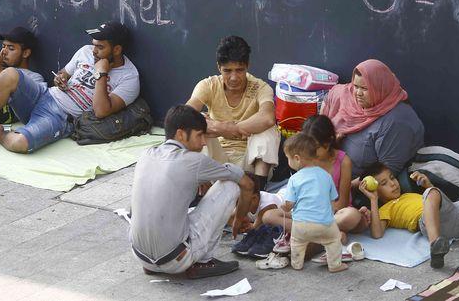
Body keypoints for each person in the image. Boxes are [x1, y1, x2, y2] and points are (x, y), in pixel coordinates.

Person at [0, 20, 139, 153]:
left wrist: (102, 74)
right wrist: (60, 79)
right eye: (94, 45)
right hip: (44, 95)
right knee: (9, 74)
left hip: (60, 116)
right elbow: (63, 73)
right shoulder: (85, 52)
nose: (94, 51)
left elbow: (101, 111)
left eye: (100, 47)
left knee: (20, 143)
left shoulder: (130, 78)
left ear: (116, 49)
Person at [129, 104, 255, 279]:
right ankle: (204, 261)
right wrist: (238, 218)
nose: (204, 142)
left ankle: (154, 265)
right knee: (230, 185)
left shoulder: (147, 154)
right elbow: (247, 184)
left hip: (141, 256)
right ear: (181, 134)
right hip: (175, 260)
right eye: (199, 135)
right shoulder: (194, 161)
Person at [359, 162, 459, 268]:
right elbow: (377, 233)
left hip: (454, 214)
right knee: (431, 193)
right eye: (384, 183)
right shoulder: (385, 209)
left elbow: (439, 202)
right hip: (430, 226)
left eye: (392, 177)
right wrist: (373, 199)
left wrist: (427, 184)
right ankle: (435, 247)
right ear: (375, 191)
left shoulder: (409, 194)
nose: (392, 184)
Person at [263, 115, 368, 251]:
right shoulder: (305, 159)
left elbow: (342, 202)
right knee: (269, 216)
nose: (311, 152)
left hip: (333, 212)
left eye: (316, 147)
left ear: (329, 141)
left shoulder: (343, 161)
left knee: (352, 215)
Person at [187, 36, 279, 190]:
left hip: (251, 163)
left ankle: (258, 189)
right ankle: (200, 185)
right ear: (219, 67)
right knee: (196, 121)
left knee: (268, 128)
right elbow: (186, 114)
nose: (234, 77)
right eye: (227, 71)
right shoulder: (208, 85)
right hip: (216, 162)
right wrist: (216, 127)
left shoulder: (260, 87)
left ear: (247, 66)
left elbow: (268, 117)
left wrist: (229, 128)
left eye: (239, 70)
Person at [321, 59, 425, 178]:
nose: (358, 93)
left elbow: (387, 173)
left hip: (361, 187)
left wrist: (348, 186)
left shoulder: (396, 120)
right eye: (356, 86)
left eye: (365, 89)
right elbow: (328, 99)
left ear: (380, 88)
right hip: (329, 173)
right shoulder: (346, 95)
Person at [281, 133, 348, 273]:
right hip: (324, 224)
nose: (288, 161)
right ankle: (335, 265)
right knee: (334, 240)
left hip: (300, 225)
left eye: (288, 158)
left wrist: (285, 207)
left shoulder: (294, 179)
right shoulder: (326, 175)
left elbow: (289, 205)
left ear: (297, 159)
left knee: (297, 242)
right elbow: (333, 200)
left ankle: (297, 263)